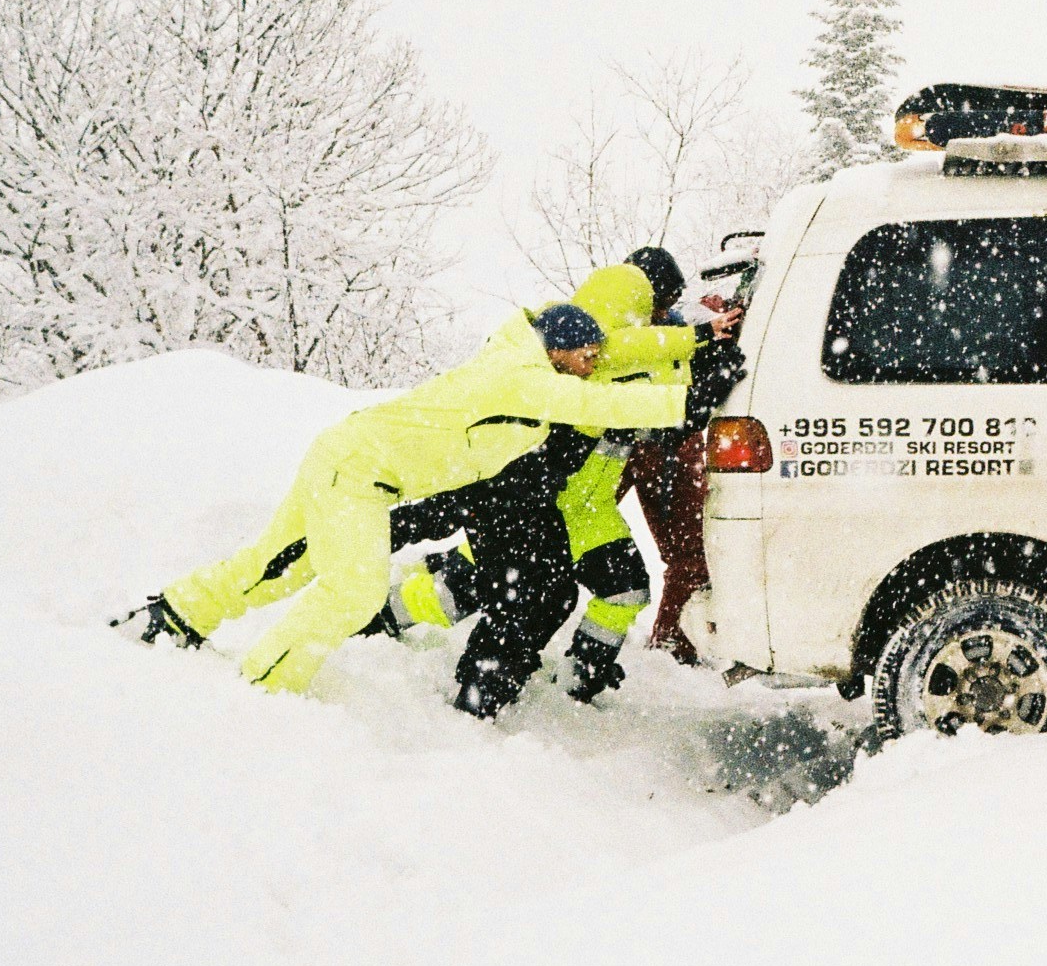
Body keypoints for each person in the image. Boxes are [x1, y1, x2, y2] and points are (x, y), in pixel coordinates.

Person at [115, 304, 686, 696]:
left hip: (347, 457)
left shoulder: (517, 365)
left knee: (281, 565)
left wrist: (694, 338)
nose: (592, 367)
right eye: (587, 356)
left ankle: (176, 614)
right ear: (559, 350)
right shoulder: (520, 379)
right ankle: (265, 689)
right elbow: (602, 406)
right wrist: (688, 397)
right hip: (356, 474)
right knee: (353, 591)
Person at [380, 246, 743, 711]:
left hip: (589, 509)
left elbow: (658, 377)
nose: (664, 314)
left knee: (621, 589)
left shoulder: (617, 352)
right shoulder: (587, 358)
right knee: (480, 589)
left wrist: (708, 347)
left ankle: (577, 682)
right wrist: (704, 363)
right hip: (539, 506)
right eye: (660, 304)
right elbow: (648, 387)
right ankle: (389, 619)